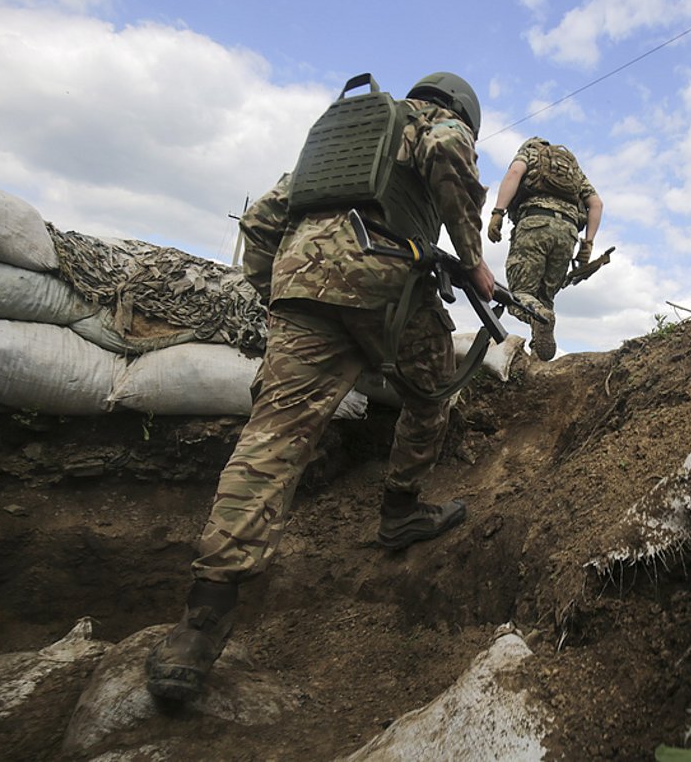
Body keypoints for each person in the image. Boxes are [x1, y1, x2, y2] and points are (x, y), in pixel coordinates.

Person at [145, 72, 495, 703]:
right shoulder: (436, 126)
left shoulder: (341, 140)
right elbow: (447, 151)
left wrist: (282, 298)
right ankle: (400, 512)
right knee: (432, 390)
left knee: (271, 442)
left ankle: (198, 627)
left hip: (298, 284)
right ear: (465, 113)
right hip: (384, 277)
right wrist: (471, 258)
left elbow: (258, 222)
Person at [487, 137, 602, 360]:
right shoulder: (573, 169)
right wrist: (588, 244)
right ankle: (538, 359)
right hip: (568, 233)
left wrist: (498, 212)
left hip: (535, 224)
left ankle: (540, 316)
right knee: (545, 299)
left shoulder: (529, 153)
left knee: (521, 295)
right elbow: (596, 203)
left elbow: (513, 174)